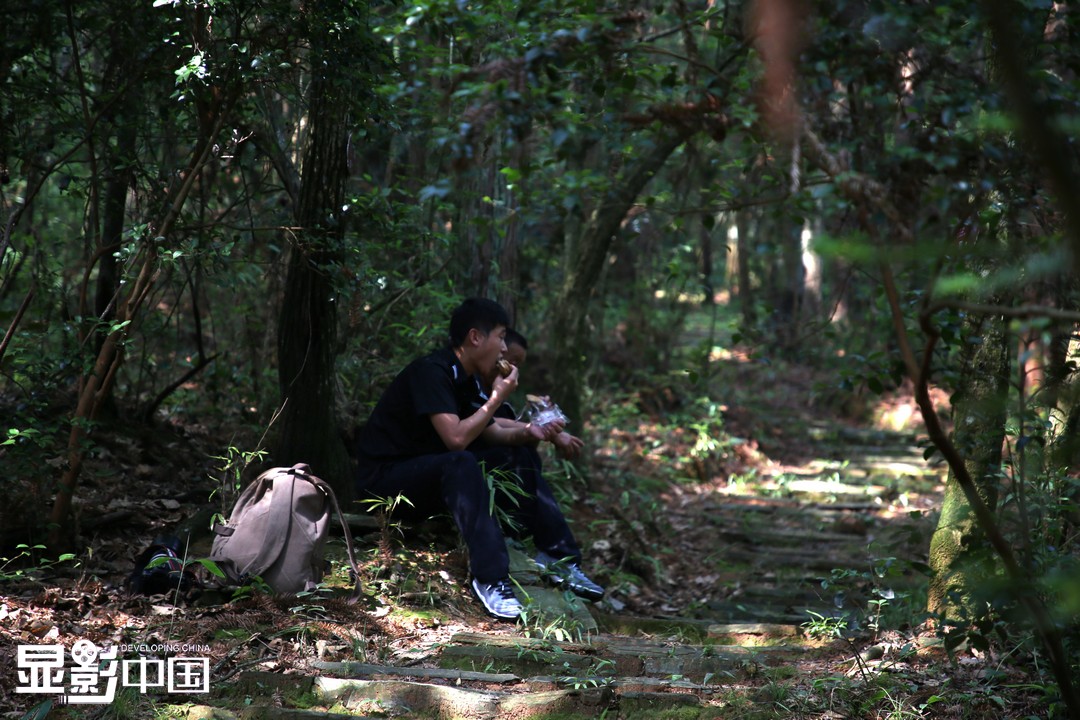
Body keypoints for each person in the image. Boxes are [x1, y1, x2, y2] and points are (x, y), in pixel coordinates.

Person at [355, 298, 604, 620]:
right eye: (500, 337)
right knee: (460, 461)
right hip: (386, 483)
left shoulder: (469, 380)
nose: (504, 348)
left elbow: (494, 433)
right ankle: (491, 579)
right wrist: (497, 397)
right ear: (475, 337)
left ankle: (559, 558)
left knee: (517, 454)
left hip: (430, 478)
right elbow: (456, 439)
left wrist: (532, 432)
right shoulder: (432, 371)